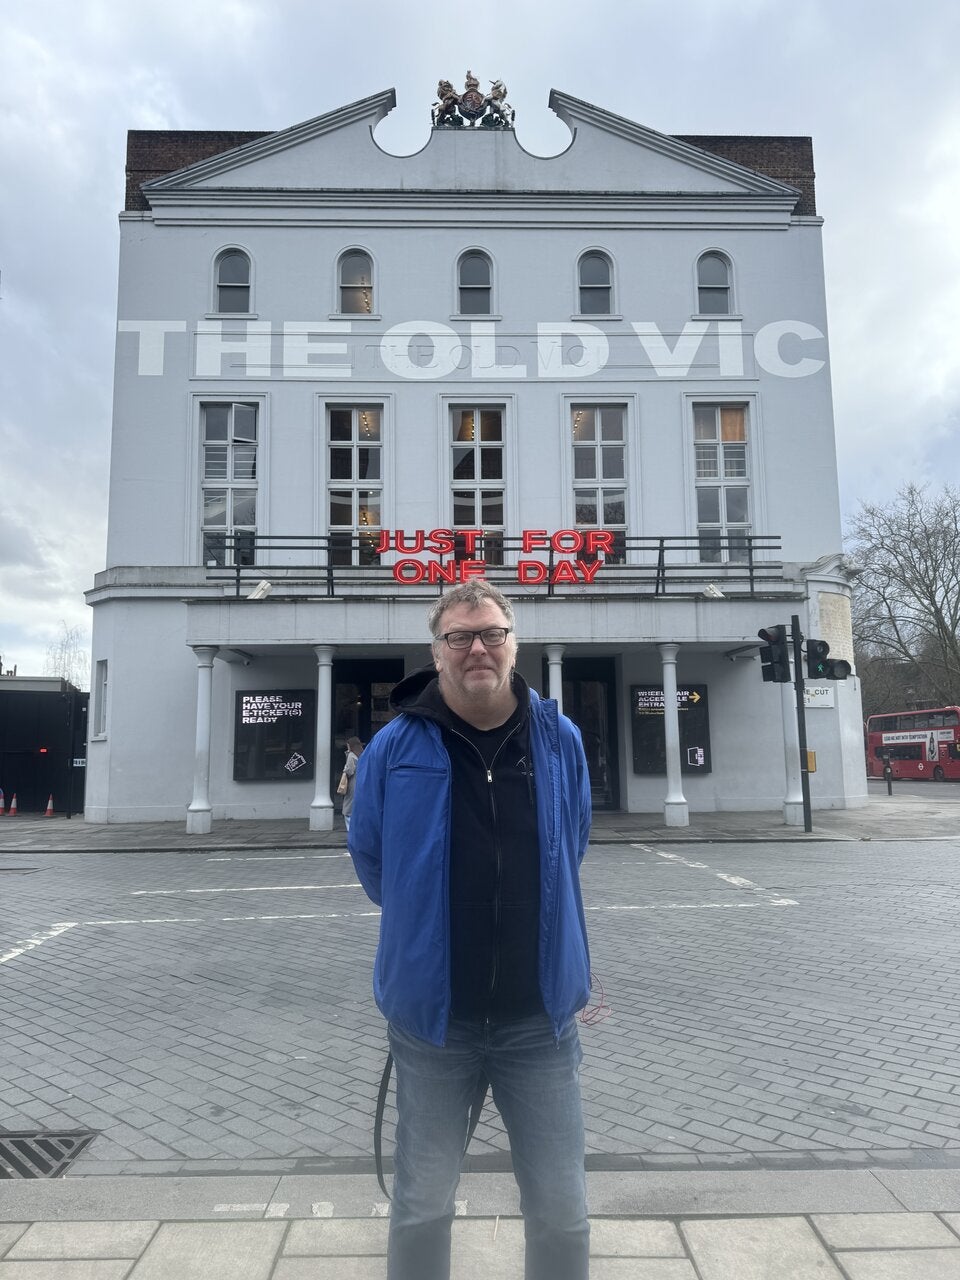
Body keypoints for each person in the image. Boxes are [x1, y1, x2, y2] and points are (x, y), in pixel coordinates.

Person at [348, 581, 592, 1280]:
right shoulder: (395, 747)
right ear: (438, 651)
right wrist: (423, 918)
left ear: (515, 644)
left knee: (561, 1207)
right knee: (422, 1204)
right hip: (434, 1025)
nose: (477, 648)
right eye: (460, 637)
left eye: (491, 633)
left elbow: (571, 842)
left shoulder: (559, 738)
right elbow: (372, 859)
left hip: (538, 1022)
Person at [340, 736, 364, 832]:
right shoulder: (362, 754)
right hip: (360, 784)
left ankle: (351, 831)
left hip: (352, 785)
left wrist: (344, 770)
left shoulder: (351, 755)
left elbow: (349, 771)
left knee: (348, 810)